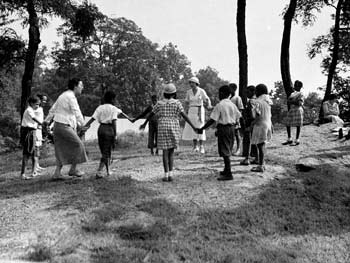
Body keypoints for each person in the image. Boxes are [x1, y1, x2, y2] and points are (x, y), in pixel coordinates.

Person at [141, 83, 196, 182]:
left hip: (162, 127)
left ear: (164, 94)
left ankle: (166, 175)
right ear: (174, 93)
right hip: (174, 127)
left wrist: (144, 124)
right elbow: (184, 116)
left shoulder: (159, 103)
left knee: (165, 152)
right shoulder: (177, 103)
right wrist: (193, 126)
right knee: (171, 152)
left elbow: (151, 114)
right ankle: (171, 175)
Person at [44, 78, 88, 180]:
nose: (82, 88)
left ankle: (57, 174)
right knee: (78, 144)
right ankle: (73, 169)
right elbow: (77, 112)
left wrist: (46, 121)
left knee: (61, 148)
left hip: (58, 126)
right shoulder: (70, 97)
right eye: (81, 86)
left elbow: (52, 110)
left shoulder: (62, 96)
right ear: (75, 86)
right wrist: (83, 124)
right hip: (63, 126)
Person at [83, 90, 132, 179]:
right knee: (106, 152)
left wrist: (84, 127)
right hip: (109, 129)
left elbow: (92, 119)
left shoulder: (100, 108)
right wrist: (115, 134)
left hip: (101, 129)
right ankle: (99, 171)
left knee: (104, 150)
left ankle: (108, 170)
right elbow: (114, 121)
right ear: (113, 99)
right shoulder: (113, 108)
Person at [198, 85, 241, 181]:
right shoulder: (232, 105)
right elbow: (239, 116)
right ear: (230, 95)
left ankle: (229, 173)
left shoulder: (220, 105)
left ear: (221, 94)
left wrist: (202, 128)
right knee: (228, 148)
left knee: (225, 151)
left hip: (224, 129)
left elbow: (212, 120)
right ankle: (226, 170)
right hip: (232, 128)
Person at [182, 76, 212, 154]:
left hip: (199, 110)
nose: (191, 84)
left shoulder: (201, 91)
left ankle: (201, 145)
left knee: (200, 126)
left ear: (196, 83)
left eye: (192, 83)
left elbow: (207, 99)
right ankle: (195, 146)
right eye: (190, 83)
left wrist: (208, 105)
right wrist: (185, 111)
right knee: (193, 126)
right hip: (191, 110)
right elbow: (186, 102)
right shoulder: (189, 92)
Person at [250, 84, 273, 173]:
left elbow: (256, 115)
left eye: (256, 90)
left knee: (260, 145)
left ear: (259, 91)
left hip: (260, 124)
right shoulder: (267, 101)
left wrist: (253, 121)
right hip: (267, 123)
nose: (255, 92)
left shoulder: (257, 102)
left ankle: (261, 165)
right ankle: (262, 163)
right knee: (262, 144)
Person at [20, 96, 43, 179]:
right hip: (28, 132)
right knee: (27, 153)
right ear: (31, 103)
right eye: (37, 104)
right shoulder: (29, 110)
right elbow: (35, 119)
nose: (38, 106)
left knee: (34, 152)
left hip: (32, 131)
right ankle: (23, 174)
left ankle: (34, 172)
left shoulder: (32, 110)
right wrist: (43, 124)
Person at [239, 85, 258, 165]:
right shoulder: (257, 100)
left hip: (250, 123)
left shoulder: (251, 101)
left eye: (248, 92)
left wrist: (249, 125)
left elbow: (253, 115)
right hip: (255, 124)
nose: (246, 94)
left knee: (247, 141)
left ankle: (247, 158)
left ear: (253, 92)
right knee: (255, 141)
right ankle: (256, 158)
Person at [282, 80, 304, 146]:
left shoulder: (300, 94)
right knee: (287, 123)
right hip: (292, 109)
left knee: (298, 124)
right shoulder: (293, 94)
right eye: (295, 85)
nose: (295, 86)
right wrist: (292, 101)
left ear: (300, 87)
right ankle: (289, 139)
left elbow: (299, 103)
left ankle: (297, 140)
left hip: (297, 109)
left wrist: (292, 101)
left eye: (297, 85)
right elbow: (288, 101)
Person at [33, 94, 47, 172]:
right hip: (36, 129)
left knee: (38, 147)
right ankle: (35, 166)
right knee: (36, 148)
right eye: (43, 100)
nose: (45, 102)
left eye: (46, 100)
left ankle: (37, 165)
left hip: (40, 129)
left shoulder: (41, 109)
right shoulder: (36, 109)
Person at [229, 83, 244, 155]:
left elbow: (240, 108)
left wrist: (237, 119)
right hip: (229, 118)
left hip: (235, 118)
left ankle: (238, 149)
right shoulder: (228, 98)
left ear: (234, 89)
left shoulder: (237, 98)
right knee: (231, 134)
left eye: (230, 88)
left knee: (236, 134)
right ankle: (230, 148)